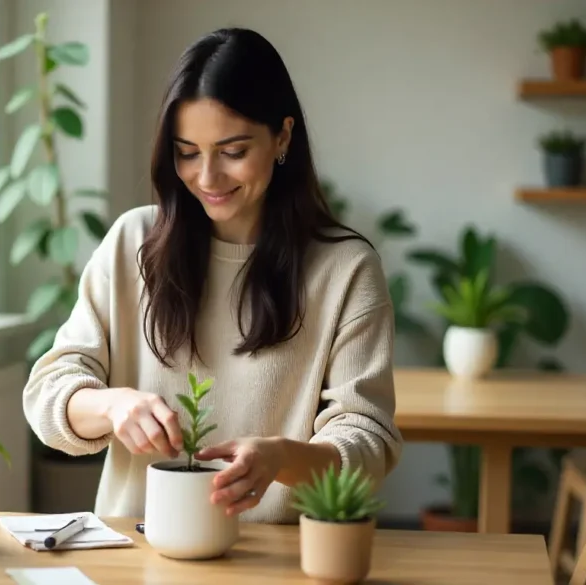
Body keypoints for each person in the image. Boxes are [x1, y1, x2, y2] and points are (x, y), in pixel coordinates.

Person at [22, 27, 402, 524]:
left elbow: (368, 439)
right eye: (187, 152)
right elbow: (49, 394)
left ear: (283, 136)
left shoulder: (346, 270)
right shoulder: (132, 244)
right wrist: (112, 406)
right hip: (134, 556)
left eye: (233, 151)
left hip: (277, 564)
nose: (206, 177)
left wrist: (283, 458)